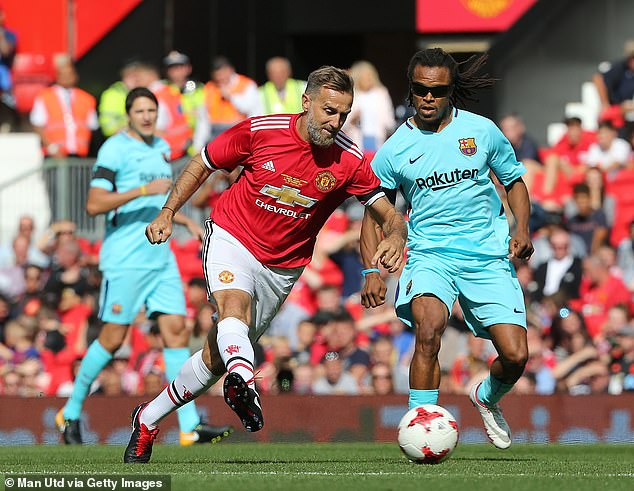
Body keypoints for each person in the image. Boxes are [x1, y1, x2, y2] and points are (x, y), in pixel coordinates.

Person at [123, 66, 407, 463]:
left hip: (282, 267)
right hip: (232, 236)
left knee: (215, 356)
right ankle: (244, 382)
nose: (335, 121)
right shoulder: (260, 130)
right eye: (328, 110)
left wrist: (396, 234)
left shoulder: (350, 158)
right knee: (232, 310)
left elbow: (385, 212)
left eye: (343, 113)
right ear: (306, 102)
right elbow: (202, 161)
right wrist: (169, 210)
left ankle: (148, 418)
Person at [361, 48, 533, 450]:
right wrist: (370, 270)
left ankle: (486, 396)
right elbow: (373, 213)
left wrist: (521, 227)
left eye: (436, 91)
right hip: (430, 255)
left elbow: (514, 181)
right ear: (410, 89)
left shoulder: (483, 131)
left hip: (487, 256)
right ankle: (421, 423)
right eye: (419, 89)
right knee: (428, 330)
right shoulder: (395, 149)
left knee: (516, 356)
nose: (427, 98)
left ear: (451, 91)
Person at [55, 87, 232, 446]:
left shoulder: (160, 147)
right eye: (140, 111)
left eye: (152, 110)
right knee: (112, 338)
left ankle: (188, 426)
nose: (148, 116)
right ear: (129, 115)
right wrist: (140, 191)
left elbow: (158, 198)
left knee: (176, 332)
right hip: (126, 260)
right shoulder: (114, 149)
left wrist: (181, 221)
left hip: (159, 257)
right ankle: (70, 411)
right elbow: (93, 204)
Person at [30, 60, 98, 158]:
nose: (67, 77)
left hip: (79, 156)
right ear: (57, 76)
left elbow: (92, 126)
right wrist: (51, 147)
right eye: (63, 74)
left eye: (70, 74)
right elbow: (37, 124)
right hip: (54, 155)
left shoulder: (87, 99)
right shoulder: (45, 96)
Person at [163, 51, 210, 156]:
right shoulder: (161, 90)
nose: (177, 71)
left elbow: (203, 120)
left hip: (192, 147)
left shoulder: (198, 90)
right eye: (173, 67)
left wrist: (198, 146)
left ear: (188, 68)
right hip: (168, 149)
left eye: (180, 66)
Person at [204, 56, 262, 139]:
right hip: (214, 133)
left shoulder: (247, 84)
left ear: (231, 70)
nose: (220, 78)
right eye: (217, 75)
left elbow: (252, 110)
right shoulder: (209, 87)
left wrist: (231, 97)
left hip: (239, 132)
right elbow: (204, 118)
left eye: (223, 73)